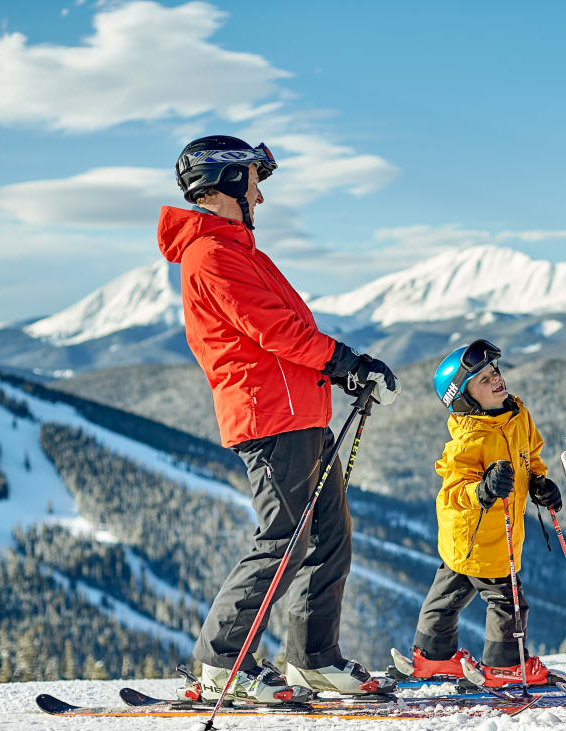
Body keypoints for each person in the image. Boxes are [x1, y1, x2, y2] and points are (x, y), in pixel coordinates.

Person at [158, 135, 401, 701]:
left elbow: (283, 337)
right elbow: (276, 331)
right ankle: (222, 662)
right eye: (254, 180)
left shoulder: (237, 250)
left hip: (300, 412)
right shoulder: (213, 255)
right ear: (225, 184)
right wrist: (346, 361)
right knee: (284, 540)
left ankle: (313, 660)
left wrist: (340, 371)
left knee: (329, 537)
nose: (260, 195)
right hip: (270, 418)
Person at [390, 339, 564, 687]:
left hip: (478, 536)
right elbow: (454, 490)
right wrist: (482, 490)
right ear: (464, 398)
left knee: (448, 594)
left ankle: (432, 657)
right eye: (483, 379)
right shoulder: (469, 438)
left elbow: (530, 454)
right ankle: (505, 665)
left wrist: (538, 483)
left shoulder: (517, 415)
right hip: (480, 536)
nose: (496, 378)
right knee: (509, 602)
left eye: (494, 371)